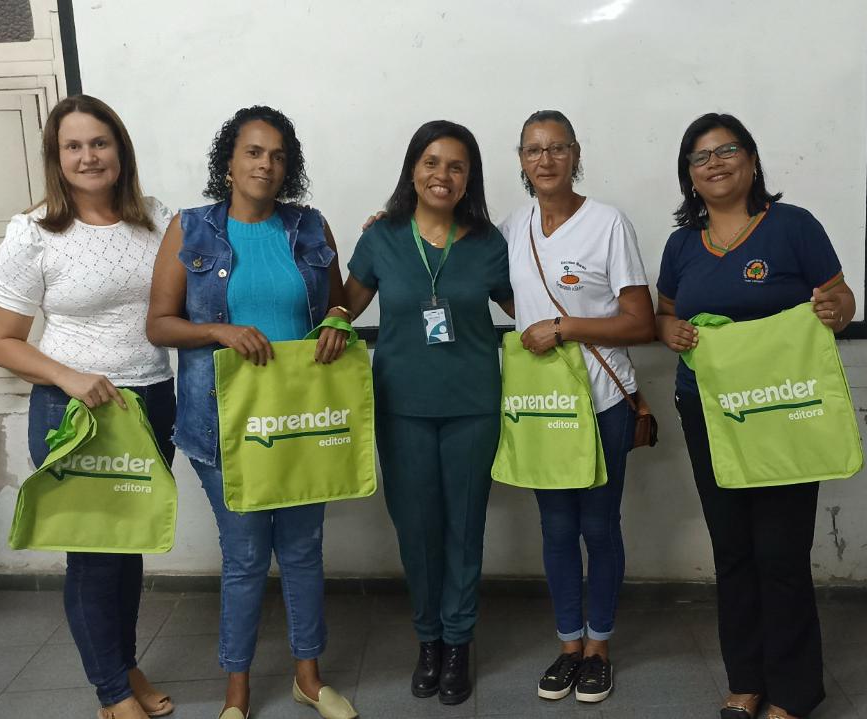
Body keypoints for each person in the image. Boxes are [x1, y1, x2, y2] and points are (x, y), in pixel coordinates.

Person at [145, 105, 357, 719]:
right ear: (230, 162)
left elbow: (337, 304)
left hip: (301, 421)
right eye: (254, 152)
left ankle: (308, 678)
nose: (267, 164)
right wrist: (219, 331)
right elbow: (158, 325)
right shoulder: (190, 229)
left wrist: (339, 319)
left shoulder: (311, 226)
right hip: (222, 425)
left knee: (303, 550)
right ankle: (236, 691)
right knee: (243, 557)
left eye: (279, 156)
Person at [656, 113, 855, 719]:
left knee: (781, 551)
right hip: (710, 413)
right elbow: (664, 314)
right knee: (733, 549)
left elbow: (842, 298)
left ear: (751, 159)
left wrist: (835, 309)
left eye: (726, 151)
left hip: (784, 411)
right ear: (689, 175)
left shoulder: (794, 227)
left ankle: (793, 690)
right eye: (700, 157)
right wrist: (670, 331)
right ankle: (745, 679)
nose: (714, 164)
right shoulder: (682, 245)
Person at [0, 95, 176, 719]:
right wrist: (69, 377)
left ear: (120, 149)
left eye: (100, 142)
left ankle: (125, 666)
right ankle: (111, 693)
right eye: (74, 146)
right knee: (93, 554)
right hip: (75, 412)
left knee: (128, 543)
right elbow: (1, 342)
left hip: (150, 400)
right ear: (57, 156)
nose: (88, 156)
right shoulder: (34, 232)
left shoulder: (157, 219)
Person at [318, 120, 513, 705]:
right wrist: (332, 316)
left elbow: (527, 307)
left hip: (473, 407)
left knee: (464, 528)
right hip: (401, 407)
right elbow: (347, 304)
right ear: (412, 169)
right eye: (431, 162)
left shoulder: (488, 242)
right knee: (417, 530)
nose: (442, 175)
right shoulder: (382, 238)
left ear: (470, 178)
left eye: (456, 166)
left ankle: (458, 642)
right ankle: (428, 639)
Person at [497, 110, 655, 704]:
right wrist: (393, 222)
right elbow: (485, 277)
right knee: (557, 528)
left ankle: (599, 648)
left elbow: (640, 322)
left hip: (603, 401)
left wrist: (564, 327)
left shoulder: (607, 223)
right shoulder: (513, 227)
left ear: (575, 154)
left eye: (557, 148)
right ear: (521, 159)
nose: (545, 159)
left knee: (599, 525)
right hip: (544, 405)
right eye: (533, 150)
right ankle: (569, 645)